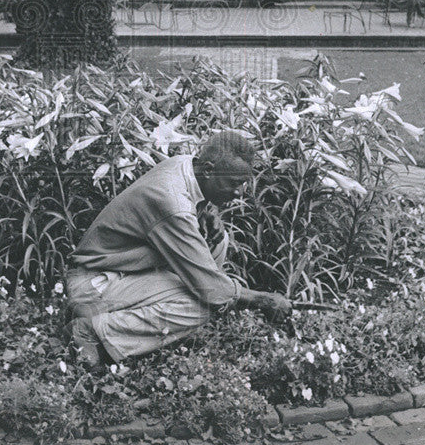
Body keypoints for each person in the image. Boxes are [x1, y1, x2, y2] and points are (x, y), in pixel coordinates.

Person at [65, 131, 292, 366]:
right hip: (93, 284)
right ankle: (93, 328)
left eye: (244, 183)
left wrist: (207, 210)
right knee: (203, 305)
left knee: (217, 240)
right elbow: (210, 288)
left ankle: (146, 324)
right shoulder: (172, 204)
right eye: (234, 183)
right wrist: (263, 299)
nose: (240, 192)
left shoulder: (183, 164)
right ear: (208, 170)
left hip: (122, 271)